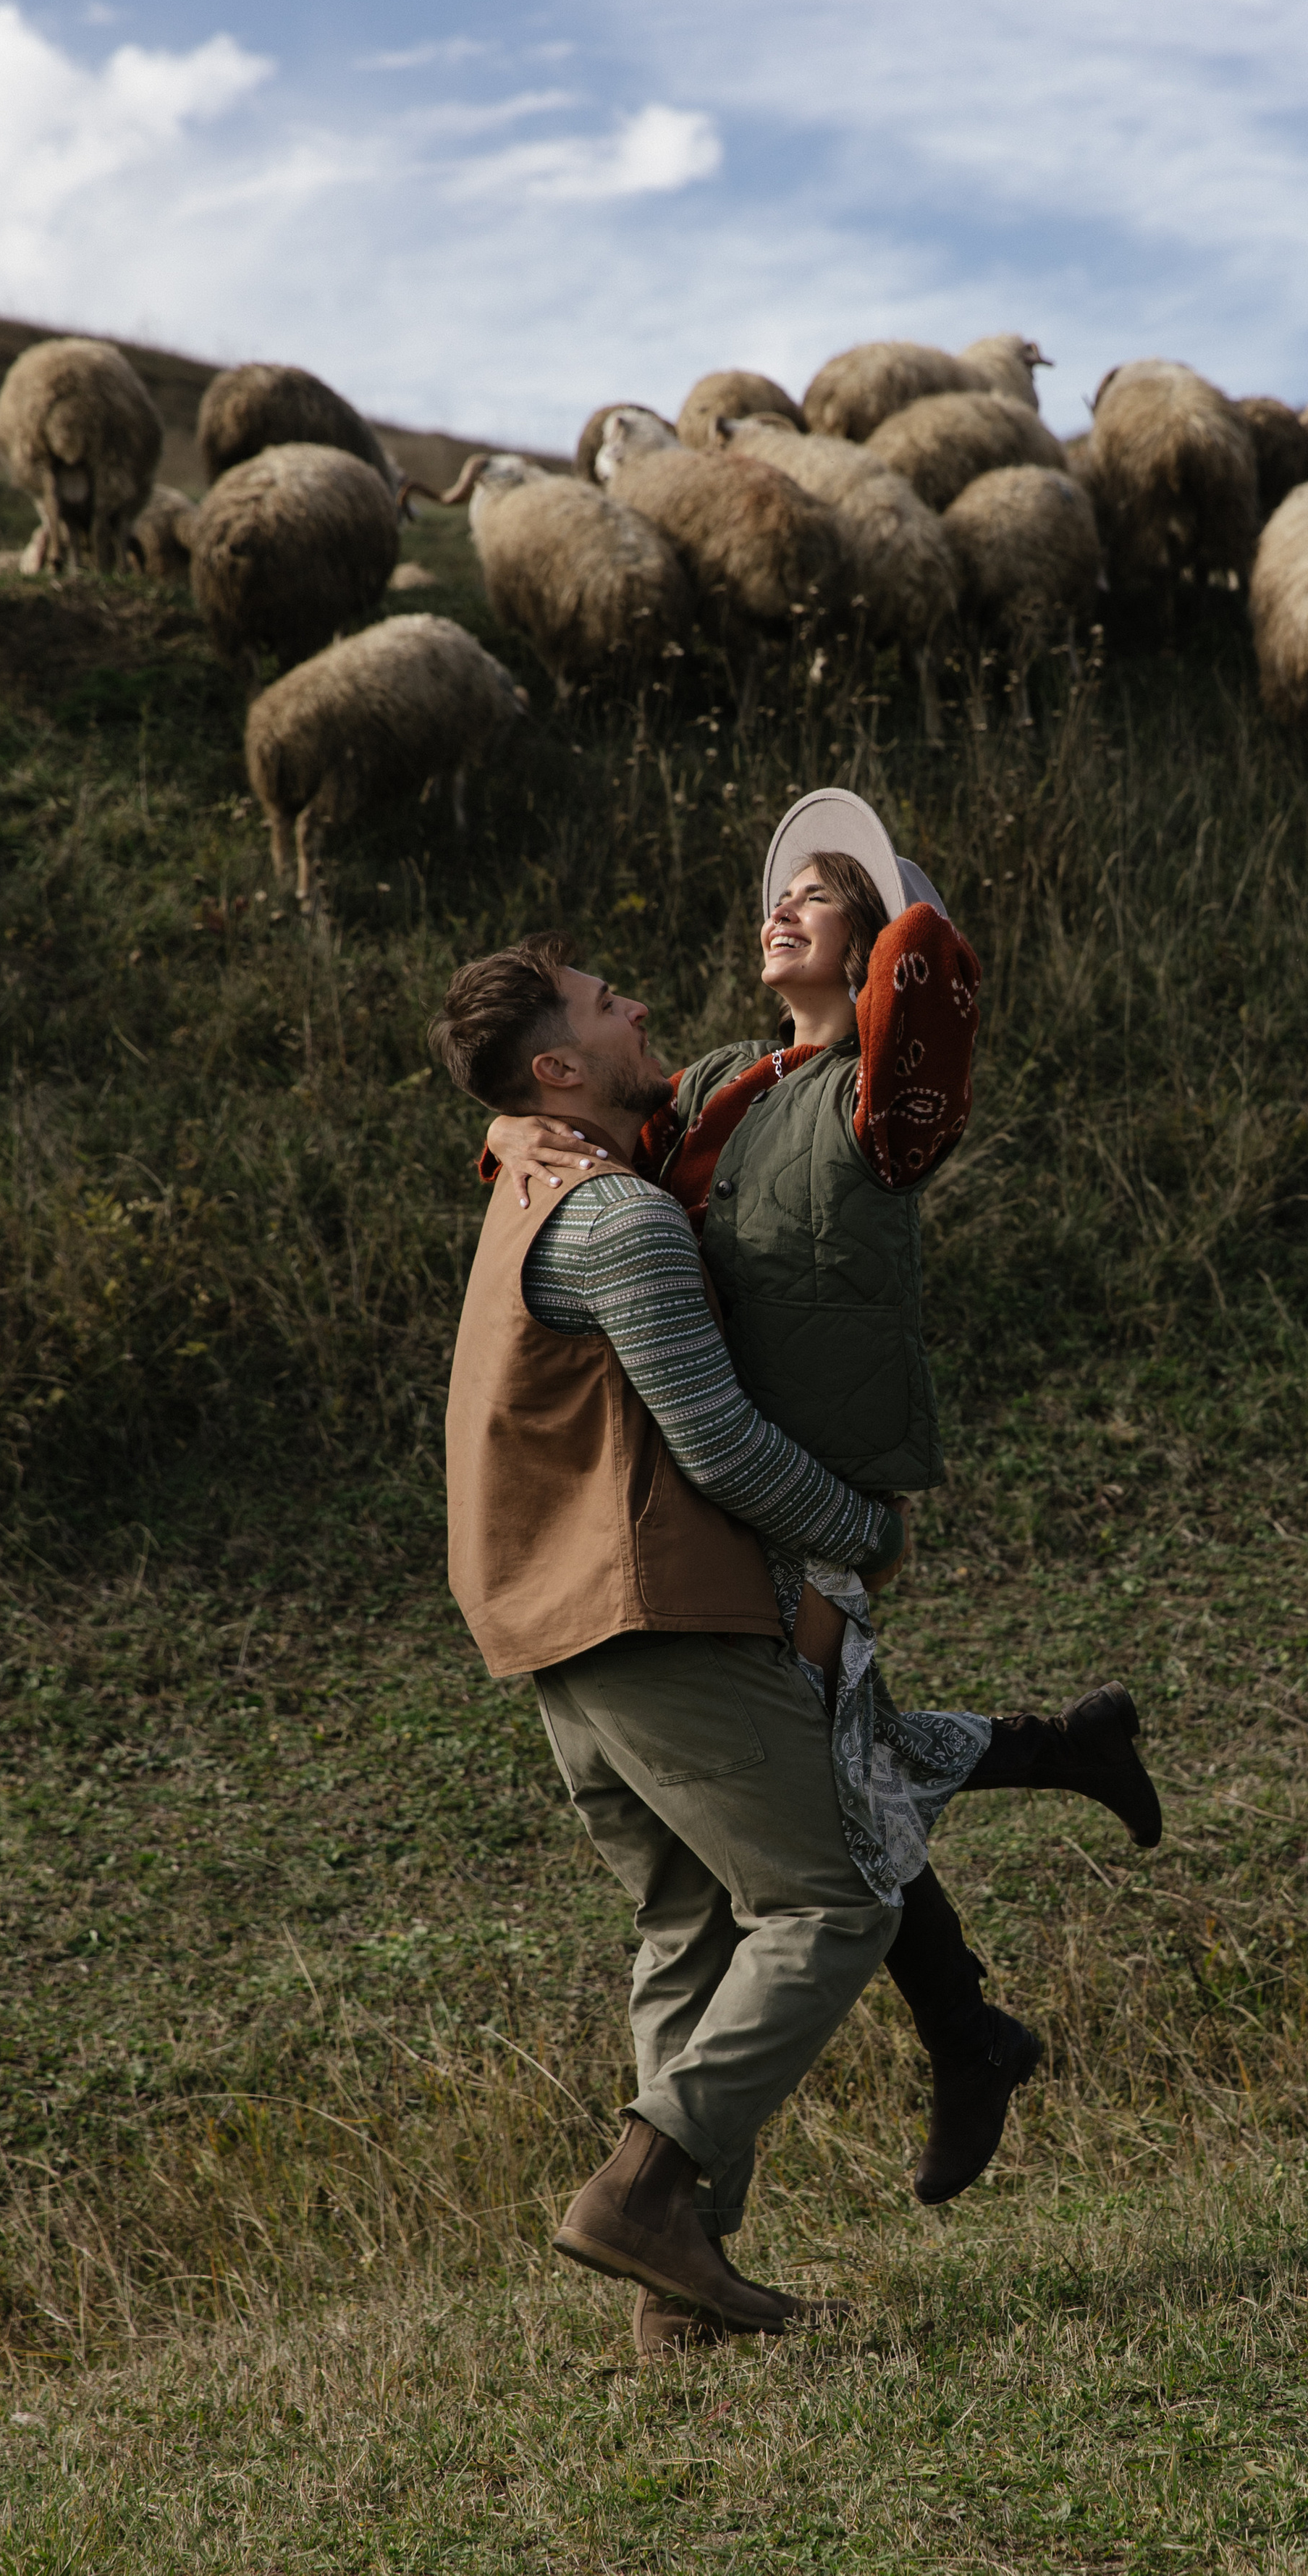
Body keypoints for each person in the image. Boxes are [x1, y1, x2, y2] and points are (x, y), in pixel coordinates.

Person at [481, 791, 1162, 2234]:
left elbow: (928, 1008)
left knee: (844, 1784)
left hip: (810, 1494)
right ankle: (1032, 1848)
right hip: (740, 1507)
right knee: (852, 1767)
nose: (779, 905)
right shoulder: (722, 1075)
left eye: (819, 896)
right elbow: (594, 1128)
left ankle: (969, 2017)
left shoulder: (882, 1107)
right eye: (776, 892)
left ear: (874, 953)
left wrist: (891, 912)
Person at [430, 936, 914, 2357]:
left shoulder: (529, 1182)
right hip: (648, 1609)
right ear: (560, 1068)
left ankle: (677, 2298)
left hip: (550, 1629)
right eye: (600, 1004)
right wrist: (858, 1527)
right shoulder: (618, 1227)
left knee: (690, 1925)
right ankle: (643, 2187)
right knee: (830, 1901)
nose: (635, 1003)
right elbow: (714, 1443)